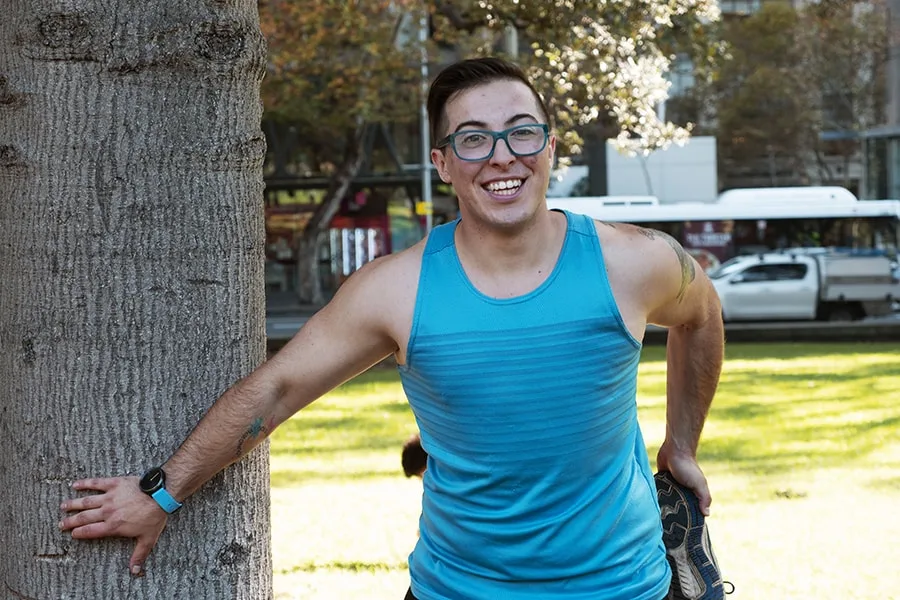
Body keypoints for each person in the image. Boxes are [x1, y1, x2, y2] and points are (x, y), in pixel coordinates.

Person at [59, 57, 725, 600]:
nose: (501, 156)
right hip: (455, 591)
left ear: (548, 145)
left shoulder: (633, 263)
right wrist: (163, 494)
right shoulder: (396, 290)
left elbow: (703, 314)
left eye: (522, 131)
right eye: (473, 139)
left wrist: (683, 446)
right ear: (443, 163)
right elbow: (278, 389)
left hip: (626, 588)